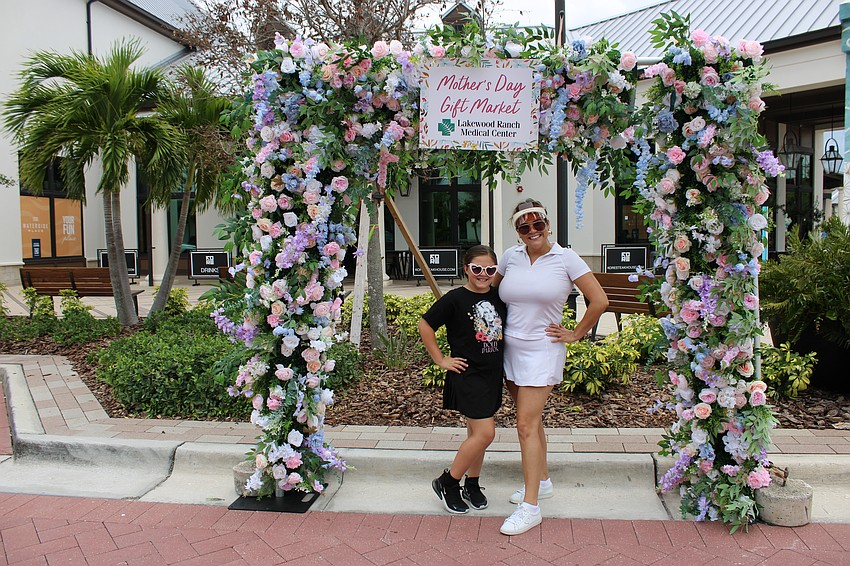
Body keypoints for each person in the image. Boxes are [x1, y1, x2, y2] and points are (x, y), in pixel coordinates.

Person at [493, 199, 609, 535]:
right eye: (524, 227)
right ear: (518, 231)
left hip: (542, 350)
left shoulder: (566, 258)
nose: (532, 231)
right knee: (532, 422)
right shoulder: (511, 257)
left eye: (538, 224)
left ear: (547, 225)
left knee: (525, 425)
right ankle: (541, 482)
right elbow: (491, 292)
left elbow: (599, 300)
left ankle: (531, 508)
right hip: (510, 348)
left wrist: (576, 333)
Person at [418, 245, 507, 514]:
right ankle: (448, 482)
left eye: (490, 269)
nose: (483, 274)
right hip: (468, 375)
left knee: (476, 435)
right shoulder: (455, 299)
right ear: (466, 268)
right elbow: (425, 324)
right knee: (486, 433)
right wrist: (440, 359)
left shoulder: (499, 297)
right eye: (477, 268)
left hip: (492, 375)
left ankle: (472, 484)